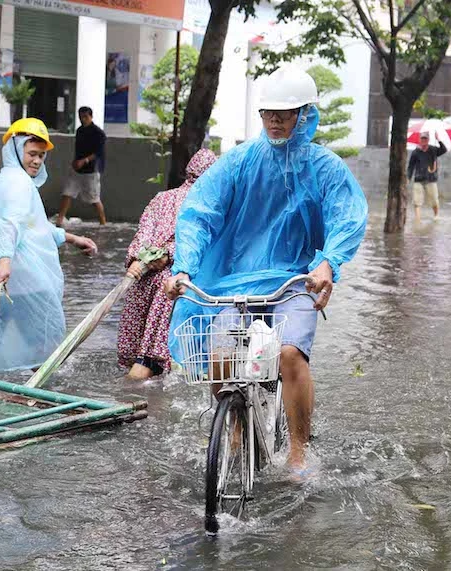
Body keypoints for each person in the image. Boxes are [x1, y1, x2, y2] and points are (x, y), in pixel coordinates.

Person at [163, 67, 368, 475]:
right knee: (219, 354)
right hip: (236, 282)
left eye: (285, 113)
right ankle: (234, 425)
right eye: (268, 113)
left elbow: (347, 216)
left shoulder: (325, 168)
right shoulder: (237, 163)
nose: (275, 121)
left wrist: (329, 261)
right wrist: (184, 268)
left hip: (296, 280)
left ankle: (297, 451)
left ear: (305, 115)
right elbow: (198, 215)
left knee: (290, 354)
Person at [0, 118, 98, 372]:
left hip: (6, 280)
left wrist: (72, 238)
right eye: (32, 153)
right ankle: (39, 384)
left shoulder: (8, 179)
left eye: (42, 156)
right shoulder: (18, 183)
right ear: (15, 148)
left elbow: (34, 229)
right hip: (14, 280)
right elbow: (10, 224)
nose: (37, 161)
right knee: (43, 342)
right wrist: (4, 261)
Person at [117, 148, 217, 380]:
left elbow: (142, 235)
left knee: (137, 349)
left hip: (141, 278)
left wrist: (137, 260)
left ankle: (132, 394)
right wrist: (169, 257)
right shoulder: (205, 203)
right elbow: (196, 243)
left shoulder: (161, 198)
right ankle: (135, 397)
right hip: (171, 284)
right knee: (151, 357)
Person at [56, 107, 107, 226]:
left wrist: (85, 160)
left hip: (91, 171)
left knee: (94, 198)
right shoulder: (79, 131)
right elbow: (78, 149)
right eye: (81, 117)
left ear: (91, 117)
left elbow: (99, 152)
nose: (83, 120)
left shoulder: (98, 133)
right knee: (67, 193)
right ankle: (60, 219)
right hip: (76, 169)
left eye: (85, 117)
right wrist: (75, 161)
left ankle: (103, 222)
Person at [407, 132, 447, 222]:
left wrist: (439, 139)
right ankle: (418, 219)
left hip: (431, 179)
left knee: (434, 200)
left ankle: (436, 216)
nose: (424, 141)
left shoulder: (433, 150)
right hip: (418, 179)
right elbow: (411, 166)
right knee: (417, 201)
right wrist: (408, 178)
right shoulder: (415, 152)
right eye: (422, 139)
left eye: (425, 139)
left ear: (428, 140)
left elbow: (444, 150)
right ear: (419, 140)